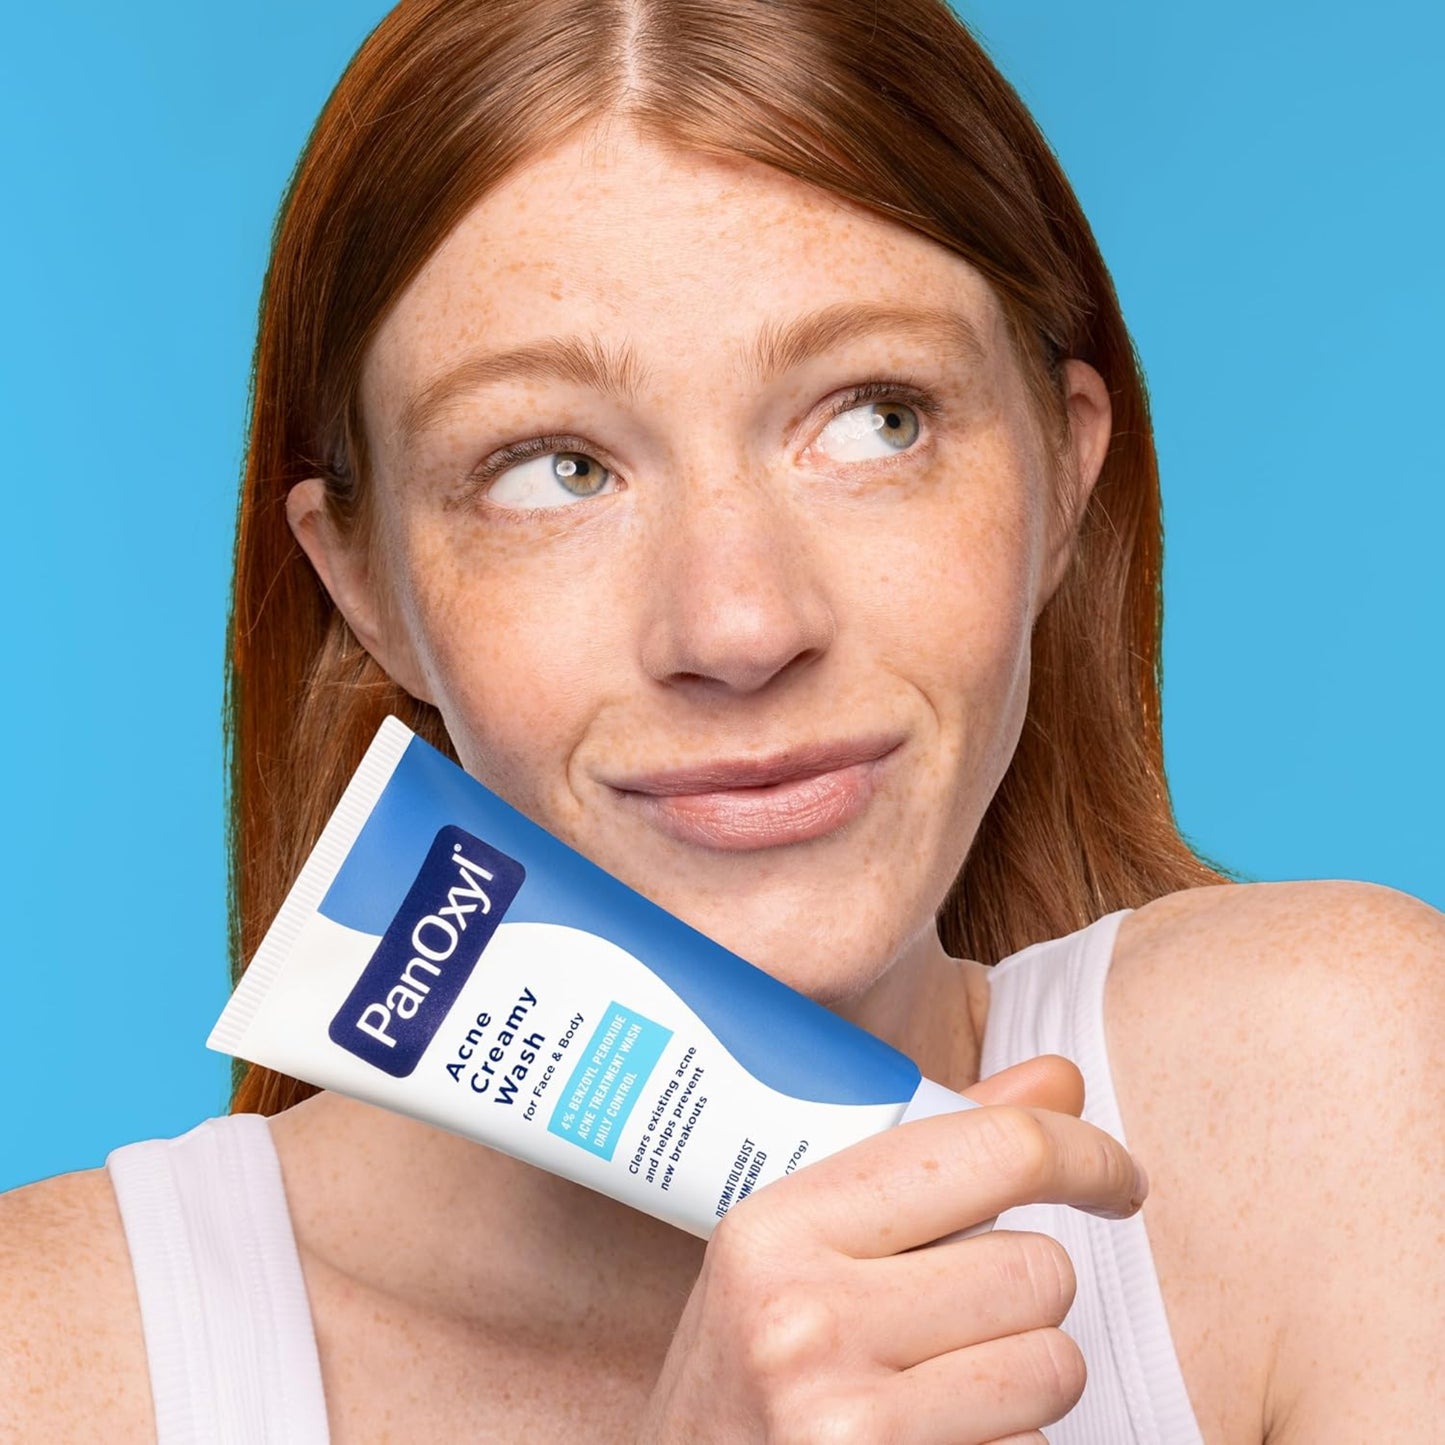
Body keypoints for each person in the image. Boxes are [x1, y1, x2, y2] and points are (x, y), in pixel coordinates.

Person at [3, 0, 1440, 1439]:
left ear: (1062, 476)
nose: (740, 626)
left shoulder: (1335, 1109)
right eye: (554, 468)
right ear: (366, 586)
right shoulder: (52, 1361)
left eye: (876, 418)